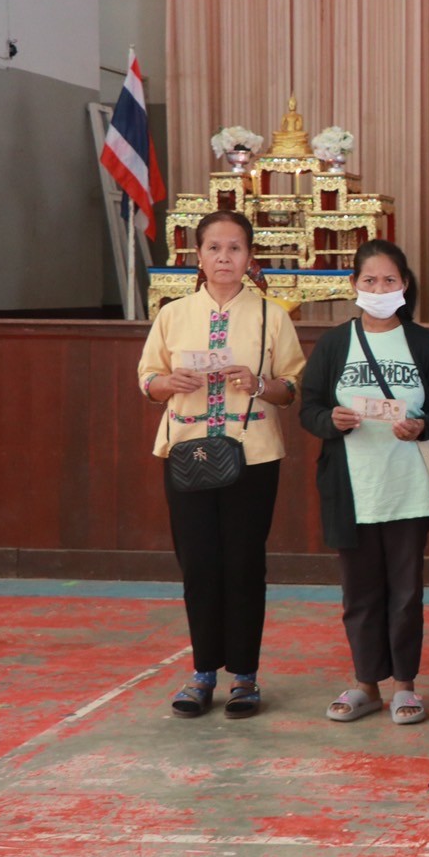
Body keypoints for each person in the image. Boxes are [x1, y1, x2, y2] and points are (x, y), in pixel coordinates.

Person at [136, 209, 305, 719]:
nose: (224, 257)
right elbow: (147, 380)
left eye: (234, 248)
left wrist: (259, 384)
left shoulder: (272, 315)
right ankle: (202, 673)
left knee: (244, 564)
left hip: (252, 455)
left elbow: (291, 387)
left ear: (249, 257)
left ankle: (245, 677)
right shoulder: (173, 314)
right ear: (199, 256)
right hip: (186, 451)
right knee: (198, 564)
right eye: (214, 248)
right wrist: (168, 383)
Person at [299, 240, 429, 727]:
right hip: (352, 488)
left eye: (389, 280)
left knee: (406, 593)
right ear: (354, 285)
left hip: (409, 487)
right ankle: (366, 684)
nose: (379, 288)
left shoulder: (422, 343)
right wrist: (331, 420)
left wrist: (422, 425)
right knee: (360, 593)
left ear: (404, 285)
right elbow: (309, 407)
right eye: (370, 280)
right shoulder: (334, 344)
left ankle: (405, 685)